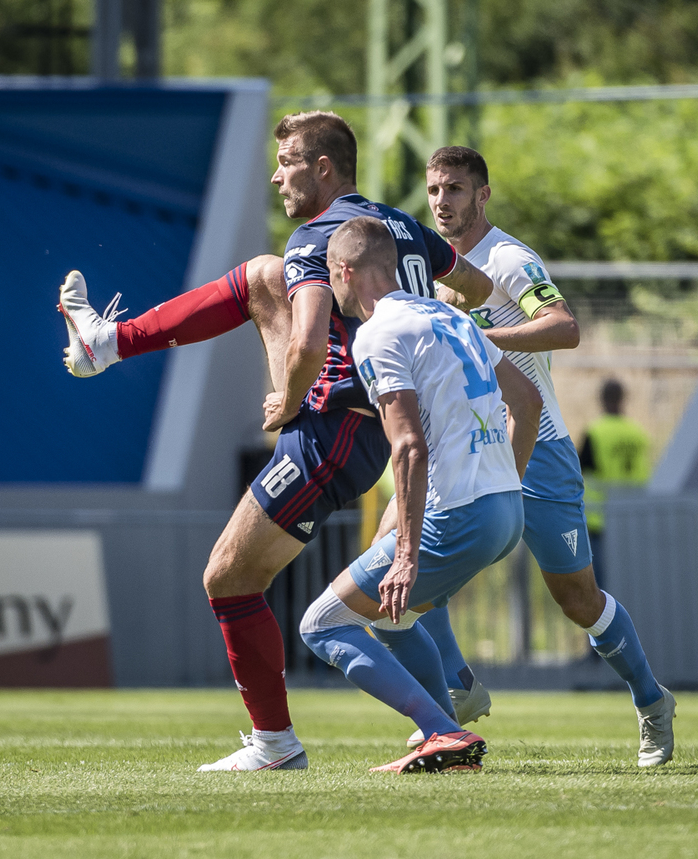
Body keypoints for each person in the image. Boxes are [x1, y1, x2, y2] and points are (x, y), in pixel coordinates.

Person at [56, 110, 493, 772]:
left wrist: (287, 402)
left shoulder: (317, 237)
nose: (275, 176)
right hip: (366, 428)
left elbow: (310, 342)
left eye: (286, 162)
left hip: (334, 431)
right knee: (263, 277)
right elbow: (477, 288)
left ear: (323, 168)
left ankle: (283, 745)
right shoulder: (398, 226)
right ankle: (108, 343)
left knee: (229, 578)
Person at [384, 146, 676, 767]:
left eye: (455, 189)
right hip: (462, 449)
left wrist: (475, 336)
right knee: (401, 560)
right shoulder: (427, 269)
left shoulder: (509, 259)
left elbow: (564, 328)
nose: (442, 201)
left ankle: (652, 701)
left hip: (538, 447)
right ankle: (458, 687)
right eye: (434, 189)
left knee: (578, 600)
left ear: (482, 195)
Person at [297, 216, 543, 773]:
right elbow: (527, 402)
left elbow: (408, 446)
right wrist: (504, 481)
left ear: (345, 271)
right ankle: (448, 735)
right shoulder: (453, 318)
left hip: (458, 515)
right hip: (506, 510)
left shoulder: (376, 334)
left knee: (323, 623)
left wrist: (405, 554)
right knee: (393, 617)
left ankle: (440, 729)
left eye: (329, 275)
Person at [578, 379, 652, 571]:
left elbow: (577, 470)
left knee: (601, 579)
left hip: (600, 518)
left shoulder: (595, 432)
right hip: (631, 514)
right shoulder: (637, 432)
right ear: (623, 399)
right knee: (630, 575)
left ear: (601, 399)